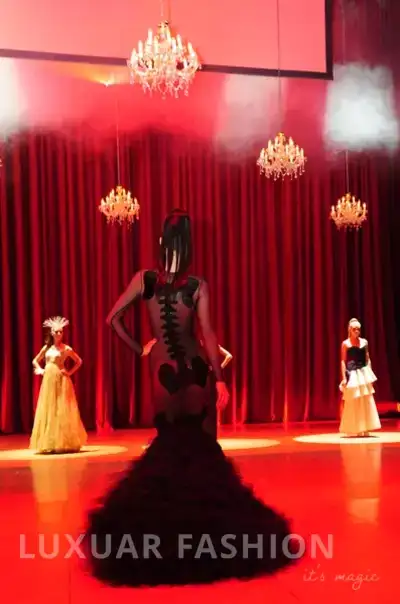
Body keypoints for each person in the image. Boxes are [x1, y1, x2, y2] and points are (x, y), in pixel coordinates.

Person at [84, 209, 296, 586]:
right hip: (198, 369)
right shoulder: (198, 285)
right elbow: (208, 335)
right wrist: (220, 380)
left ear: (161, 243)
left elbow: (113, 319)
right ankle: (215, 539)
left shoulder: (144, 279)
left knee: (169, 447)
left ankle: (168, 537)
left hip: (162, 371)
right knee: (206, 450)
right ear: (190, 246)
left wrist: (140, 349)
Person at [30, 316, 87, 454]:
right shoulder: (47, 348)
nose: (59, 334)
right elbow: (35, 360)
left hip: (61, 379)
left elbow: (79, 361)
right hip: (48, 380)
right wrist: (40, 369)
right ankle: (49, 441)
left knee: (62, 408)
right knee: (49, 407)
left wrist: (69, 372)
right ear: (52, 333)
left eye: (61, 331)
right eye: (56, 331)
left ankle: (64, 441)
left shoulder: (66, 349)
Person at [339, 318, 381, 437]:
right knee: (354, 400)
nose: (356, 331)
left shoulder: (364, 342)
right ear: (350, 330)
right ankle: (354, 428)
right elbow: (343, 361)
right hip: (352, 373)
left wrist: (370, 374)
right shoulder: (345, 344)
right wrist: (344, 377)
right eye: (354, 329)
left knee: (366, 399)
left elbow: (367, 358)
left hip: (363, 372)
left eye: (358, 329)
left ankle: (366, 426)